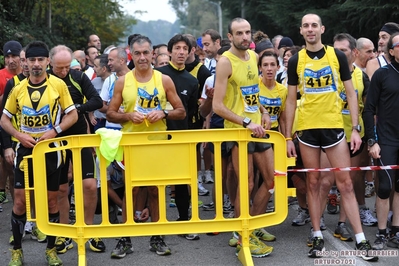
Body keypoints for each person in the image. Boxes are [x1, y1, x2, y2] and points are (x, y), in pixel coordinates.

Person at [284, 13, 377, 261]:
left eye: (314, 25)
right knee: (313, 184)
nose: (310, 29)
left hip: (334, 128)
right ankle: (316, 236)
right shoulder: (295, 60)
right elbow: (291, 100)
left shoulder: (336, 56)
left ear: (322, 29)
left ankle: (361, 239)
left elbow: (351, 93)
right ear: (301, 31)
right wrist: (287, 137)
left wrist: (355, 128)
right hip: (307, 130)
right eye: (306, 26)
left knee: (344, 182)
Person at [106, 34, 185, 258]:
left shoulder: (164, 80)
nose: (142, 57)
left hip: (156, 145)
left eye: (146, 53)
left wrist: (164, 112)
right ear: (132, 55)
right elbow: (111, 113)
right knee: (131, 190)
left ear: (153, 54)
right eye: (137, 53)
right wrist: (129, 116)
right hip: (131, 144)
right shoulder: (123, 81)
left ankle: (157, 237)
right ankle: (125, 239)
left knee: (155, 189)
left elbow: (181, 111)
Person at [1, 40, 78, 266]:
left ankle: (51, 250)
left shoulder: (58, 86)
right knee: (19, 202)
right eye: (32, 60)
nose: (36, 64)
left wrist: (55, 130)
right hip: (25, 150)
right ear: (26, 62)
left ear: (47, 62)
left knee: (52, 202)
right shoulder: (17, 89)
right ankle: (17, 250)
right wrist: (19, 135)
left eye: (40, 60)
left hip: (51, 151)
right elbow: (3, 120)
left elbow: (72, 115)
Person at [212, 17, 275, 258]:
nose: (245, 37)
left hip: (257, 128)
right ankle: (243, 237)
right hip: (238, 131)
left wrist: (263, 111)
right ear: (230, 37)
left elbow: (252, 93)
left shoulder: (255, 57)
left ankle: (252, 227)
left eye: (247, 32)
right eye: (239, 33)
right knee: (246, 184)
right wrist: (246, 122)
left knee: (270, 182)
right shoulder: (225, 63)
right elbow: (217, 106)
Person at [318, 33, 375, 243]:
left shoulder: (362, 77)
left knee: (347, 182)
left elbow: (368, 108)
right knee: (325, 181)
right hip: (330, 134)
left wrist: (369, 137)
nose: (337, 54)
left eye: (342, 50)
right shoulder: (326, 72)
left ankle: (342, 224)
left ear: (354, 52)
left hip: (353, 136)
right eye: (335, 50)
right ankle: (317, 224)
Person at [47, 45, 104, 254]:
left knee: (89, 185)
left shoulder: (78, 77)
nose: (62, 72)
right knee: (62, 188)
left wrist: (76, 110)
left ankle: (88, 229)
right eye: (58, 68)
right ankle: (64, 233)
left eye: (66, 68)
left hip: (79, 137)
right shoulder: (44, 80)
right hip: (55, 140)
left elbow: (97, 100)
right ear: (50, 64)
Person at [156, 34, 200, 240]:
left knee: (183, 180)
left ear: (190, 51)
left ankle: (184, 220)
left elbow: (189, 111)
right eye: (178, 48)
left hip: (181, 133)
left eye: (185, 48)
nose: (182, 52)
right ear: (170, 52)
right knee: (154, 180)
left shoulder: (192, 81)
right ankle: (156, 225)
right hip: (156, 134)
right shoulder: (157, 74)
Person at [363, 32, 399, 250]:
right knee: (385, 187)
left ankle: (396, 230)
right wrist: (371, 140)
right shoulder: (382, 74)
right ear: (392, 50)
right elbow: (369, 109)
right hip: (386, 140)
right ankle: (382, 232)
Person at [0, 40, 22, 209]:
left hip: (29, 129)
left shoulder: (29, 74)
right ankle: (19, 212)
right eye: (7, 56)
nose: (10, 60)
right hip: (5, 126)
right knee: (10, 168)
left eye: (14, 55)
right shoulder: (1, 76)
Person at [99, 47, 130, 130]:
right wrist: (113, 109)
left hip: (132, 127)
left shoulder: (136, 78)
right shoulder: (109, 80)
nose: (108, 63)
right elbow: (101, 106)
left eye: (111, 60)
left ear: (122, 60)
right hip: (112, 127)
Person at [91, 54, 111, 131]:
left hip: (113, 121)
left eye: (96, 66)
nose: (93, 68)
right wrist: (91, 115)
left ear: (104, 69)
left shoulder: (116, 81)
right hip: (98, 121)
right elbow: (90, 100)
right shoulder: (94, 82)